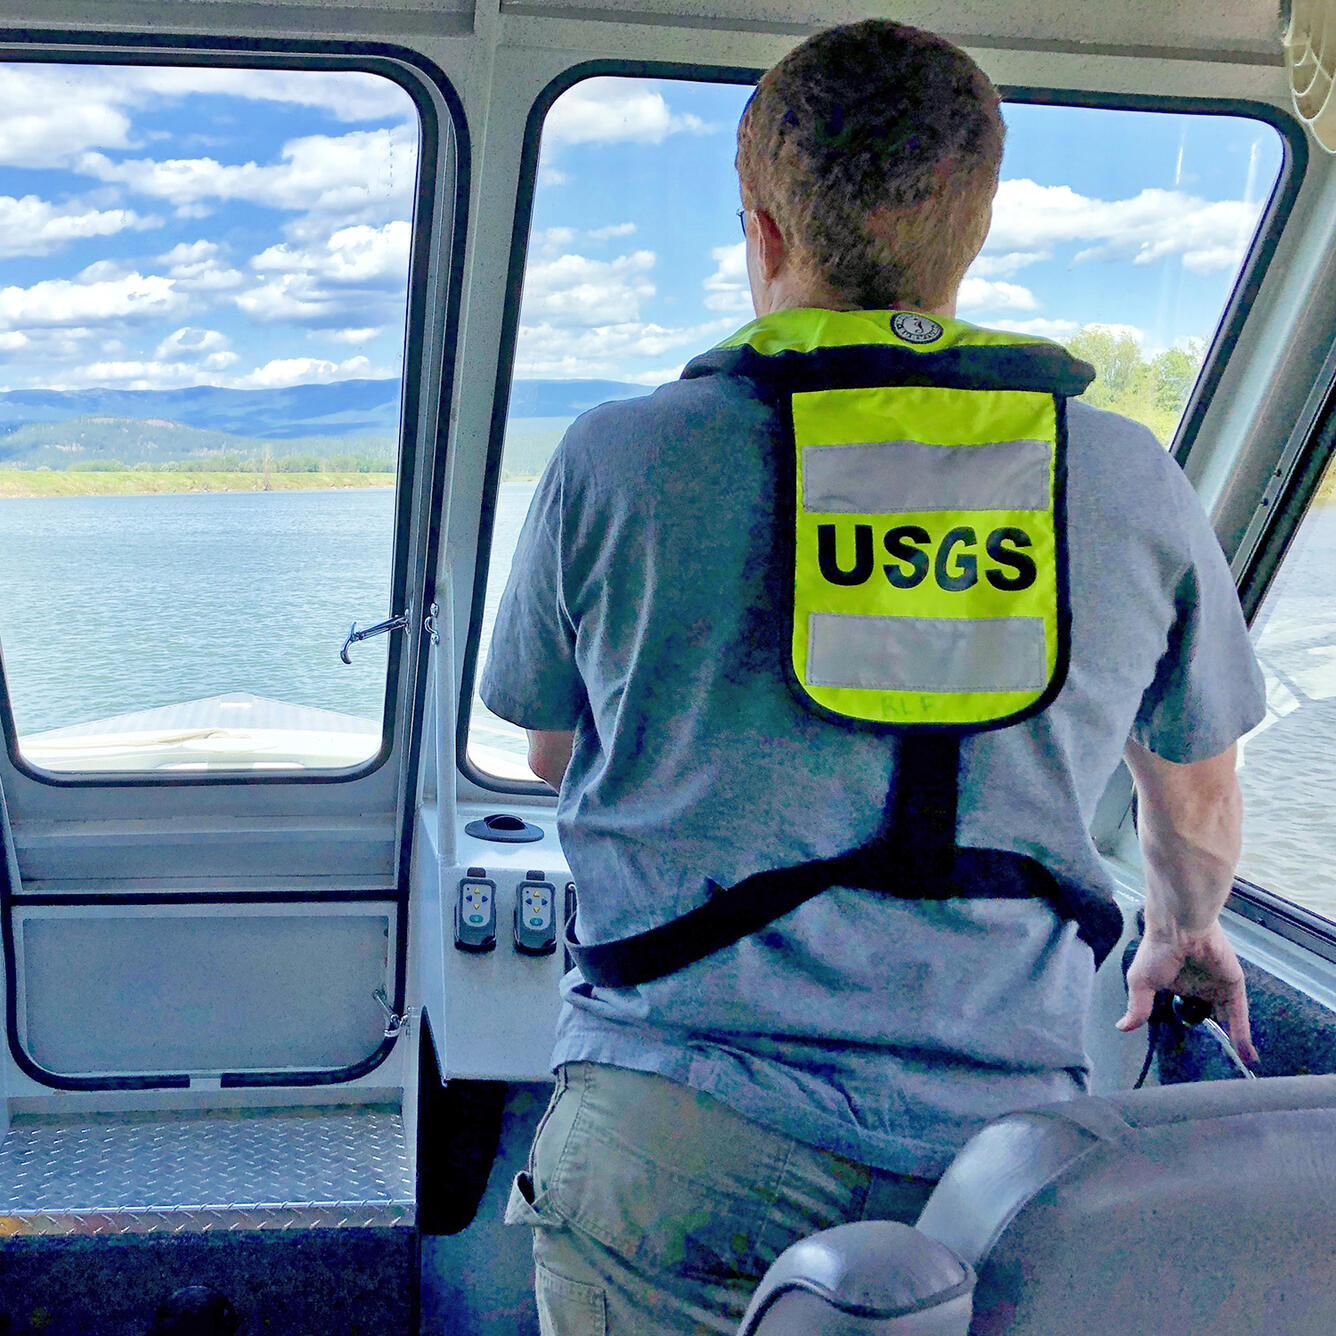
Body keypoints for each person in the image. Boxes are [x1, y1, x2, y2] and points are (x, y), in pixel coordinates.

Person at [481, 19, 1264, 1336]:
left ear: (763, 231)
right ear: (973, 229)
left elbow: (555, 754)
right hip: (1004, 1167)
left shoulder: (619, 459)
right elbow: (1194, 798)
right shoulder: (1126, 477)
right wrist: (1185, 929)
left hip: (679, 1129)